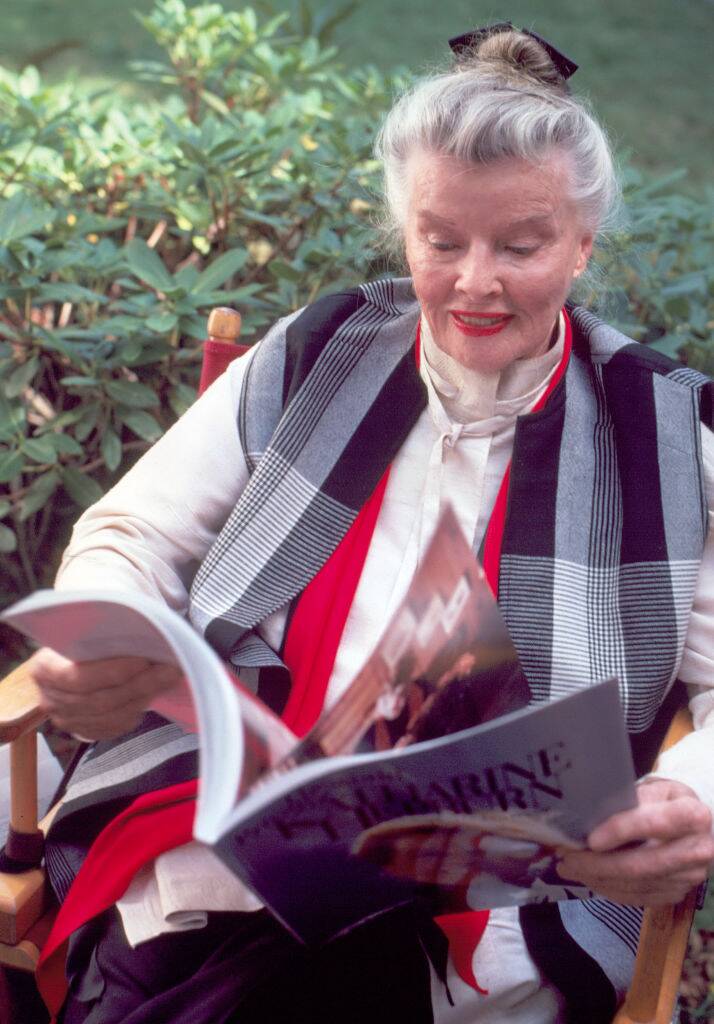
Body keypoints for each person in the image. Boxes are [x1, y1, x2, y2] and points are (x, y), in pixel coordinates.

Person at [28, 22, 714, 1024]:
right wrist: (107, 633)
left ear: (582, 243)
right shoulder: (318, 353)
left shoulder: (665, 433)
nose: (475, 282)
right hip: (236, 832)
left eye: (521, 246)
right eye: (441, 241)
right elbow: (131, 533)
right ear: (405, 232)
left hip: (505, 891)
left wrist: (695, 796)